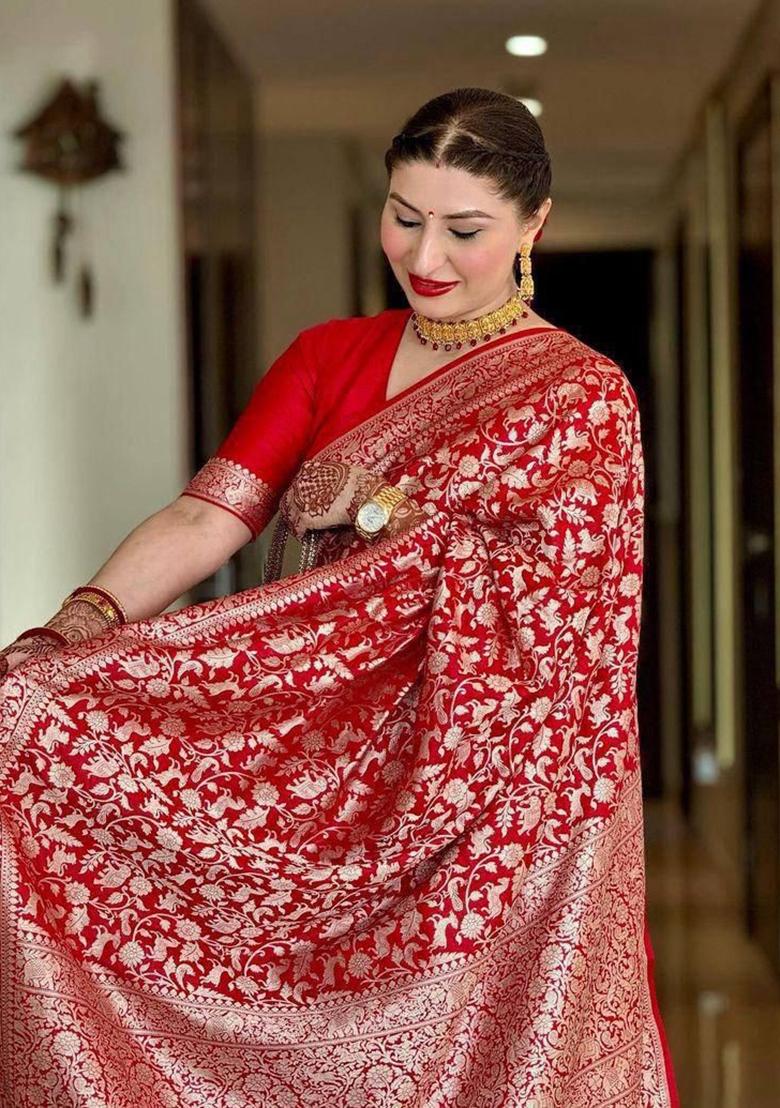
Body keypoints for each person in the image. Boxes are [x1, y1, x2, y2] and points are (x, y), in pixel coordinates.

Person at [0, 87, 679, 1106]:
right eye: (404, 217)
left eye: (464, 230)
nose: (426, 256)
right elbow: (206, 517)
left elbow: (563, 618)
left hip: (479, 807)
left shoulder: (580, 396)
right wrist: (74, 626)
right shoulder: (329, 354)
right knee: (24, 719)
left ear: (533, 224)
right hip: (303, 754)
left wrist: (378, 511)